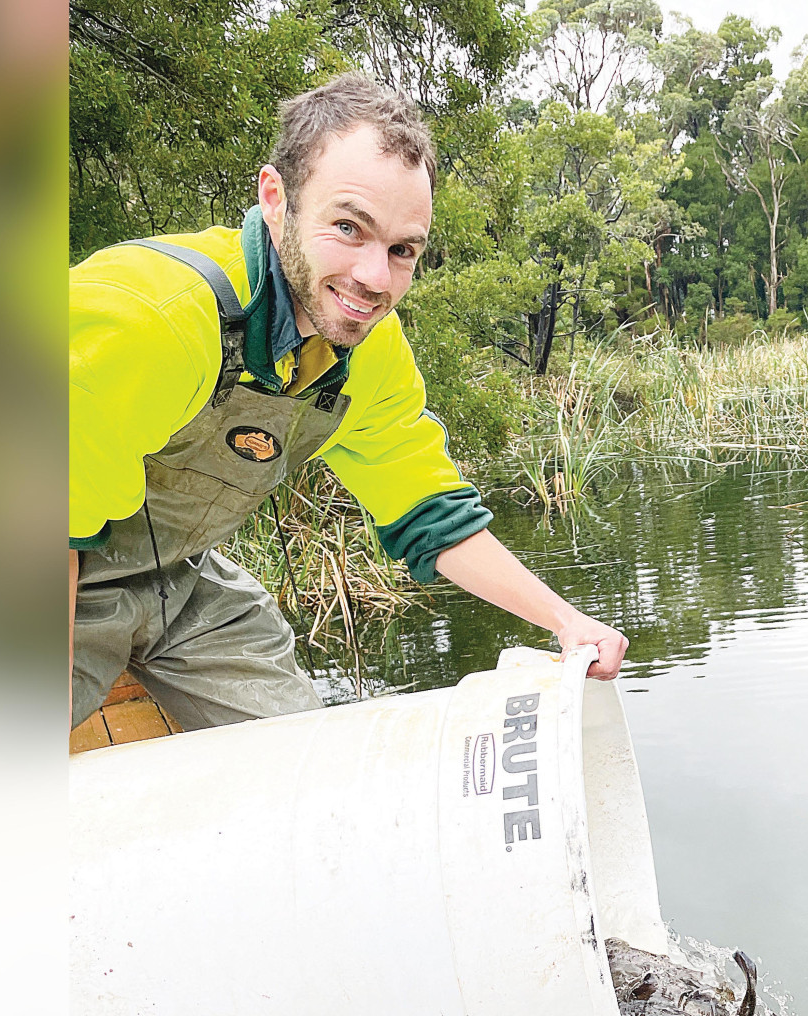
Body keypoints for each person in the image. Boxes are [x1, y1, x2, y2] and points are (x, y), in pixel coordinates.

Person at [68, 74, 627, 732]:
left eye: (402, 250)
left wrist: (565, 621)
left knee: (301, 764)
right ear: (276, 199)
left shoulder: (369, 349)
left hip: (179, 581)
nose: (373, 277)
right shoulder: (154, 320)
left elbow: (429, 512)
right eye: (348, 227)